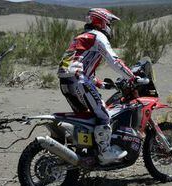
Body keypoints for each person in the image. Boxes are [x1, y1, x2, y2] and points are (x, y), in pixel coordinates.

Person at [57, 8, 137, 165]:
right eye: (109, 24)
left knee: (87, 119)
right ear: (102, 21)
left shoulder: (80, 37)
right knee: (104, 116)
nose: (110, 28)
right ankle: (105, 153)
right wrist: (132, 77)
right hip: (78, 81)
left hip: (66, 83)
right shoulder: (98, 36)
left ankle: (86, 152)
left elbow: (80, 65)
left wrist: (101, 84)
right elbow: (114, 61)